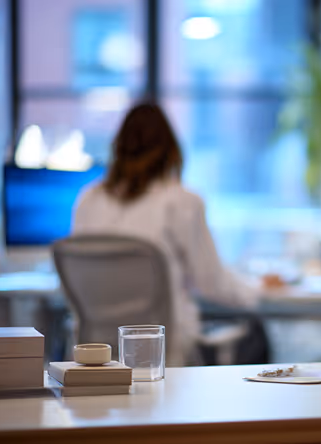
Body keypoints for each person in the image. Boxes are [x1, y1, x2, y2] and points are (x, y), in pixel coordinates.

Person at [73, 102, 260, 366]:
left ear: (118, 147)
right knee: (256, 333)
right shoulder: (181, 202)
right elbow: (211, 282)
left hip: (98, 352)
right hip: (162, 352)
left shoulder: (88, 199)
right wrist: (255, 292)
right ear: (171, 150)